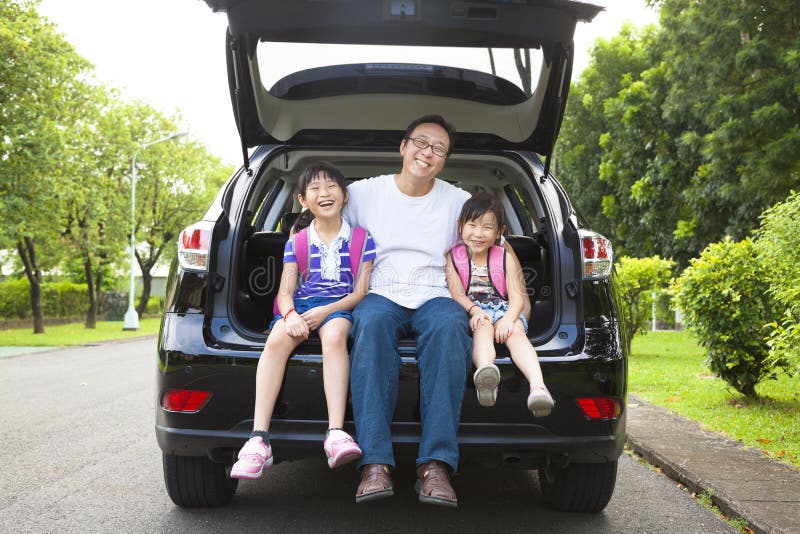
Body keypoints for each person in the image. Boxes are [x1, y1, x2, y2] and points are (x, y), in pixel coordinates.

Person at [343, 115, 472, 508]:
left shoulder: (458, 201)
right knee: (371, 321)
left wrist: (513, 303)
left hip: (437, 292)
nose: (427, 152)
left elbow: (490, 251)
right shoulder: (363, 194)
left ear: (444, 160)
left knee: (451, 326)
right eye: (421, 142)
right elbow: (327, 231)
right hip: (379, 289)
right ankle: (375, 464)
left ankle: (435, 466)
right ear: (403, 146)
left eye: (438, 149)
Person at [230, 162, 376, 479]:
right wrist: (291, 314)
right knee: (276, 340)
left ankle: (335, 432)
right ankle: (258, 439)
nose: (324, 193)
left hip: (340, 306)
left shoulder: (363, 240)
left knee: (335, 336)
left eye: (331, 187)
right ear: (302, 200)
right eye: (315, 189)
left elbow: (361, 292)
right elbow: (284, 293)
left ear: (345, 195)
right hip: (301, 306)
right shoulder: (296, 243)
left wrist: (325, 312)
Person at [445, 192, 554, 416]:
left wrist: (508, 319)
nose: (478, 233)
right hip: (475, 311)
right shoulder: (452, 257)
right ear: (460, 226)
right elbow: (456, 292)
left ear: (499, 232)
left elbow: (516, 298)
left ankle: (538, 387)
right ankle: (487, 375)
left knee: (516, 333)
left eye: (487, 227)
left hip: (504, 310)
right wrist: (474, 311)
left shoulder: (504, 256)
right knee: (481, 328)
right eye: (472, 225)